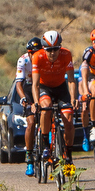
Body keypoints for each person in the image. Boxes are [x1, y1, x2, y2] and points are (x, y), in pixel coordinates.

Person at [31, 30, 76, 165]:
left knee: (68, 119)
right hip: (44, 88)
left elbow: (72, 80)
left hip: (61, 88)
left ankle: (68, 153)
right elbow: (35, 84)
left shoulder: (66, 54)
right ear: (43, 48)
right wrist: (35, 102)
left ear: (60, 47)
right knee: (46, 107)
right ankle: (45, 145)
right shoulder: (37, 57)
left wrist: (73, 98)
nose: (52, 53)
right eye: (49, 50)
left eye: (55, 49)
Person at [16, 37, 41, 176]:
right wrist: (24, 98)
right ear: (28, 53)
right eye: (32, 53)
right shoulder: (23, 60)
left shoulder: (44, 58)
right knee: (31, 123)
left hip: (41, 87)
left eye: (37, 52)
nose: (35, 55)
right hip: (28, 88)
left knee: (47, 115)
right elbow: (18, 83)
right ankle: (29, 157)